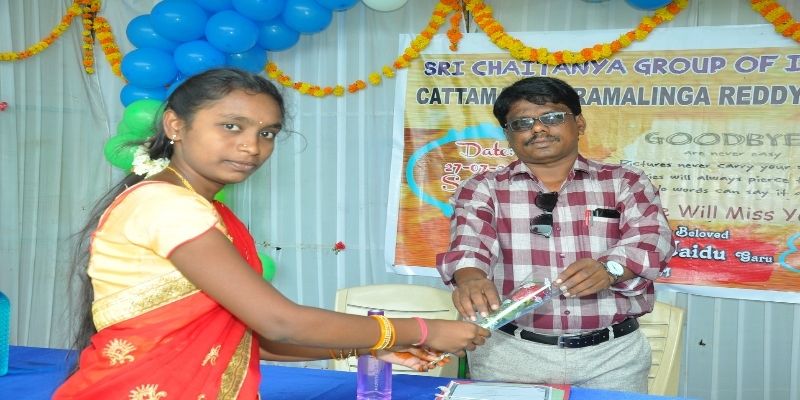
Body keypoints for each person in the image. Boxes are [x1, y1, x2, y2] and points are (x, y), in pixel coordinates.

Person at [55, 68, 489, 399]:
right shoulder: (166, 204)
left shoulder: (205, 209)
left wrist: (364, 348)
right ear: (175, 126)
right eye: (231, 126)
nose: (252, 146)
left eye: (267, 133)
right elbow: (280, 322)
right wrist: (420, 330)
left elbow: (250, 340)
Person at [436, 76, 674, 392]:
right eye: (522, 123)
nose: (538, 129)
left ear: (579, 123)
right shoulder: (482, 188)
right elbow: (469, 244)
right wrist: (471, 279)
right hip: (509, 355)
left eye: (551, 117)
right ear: (508, 135)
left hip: (611, 358)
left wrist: (610, 269)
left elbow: (652, 239)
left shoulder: (624, 181)